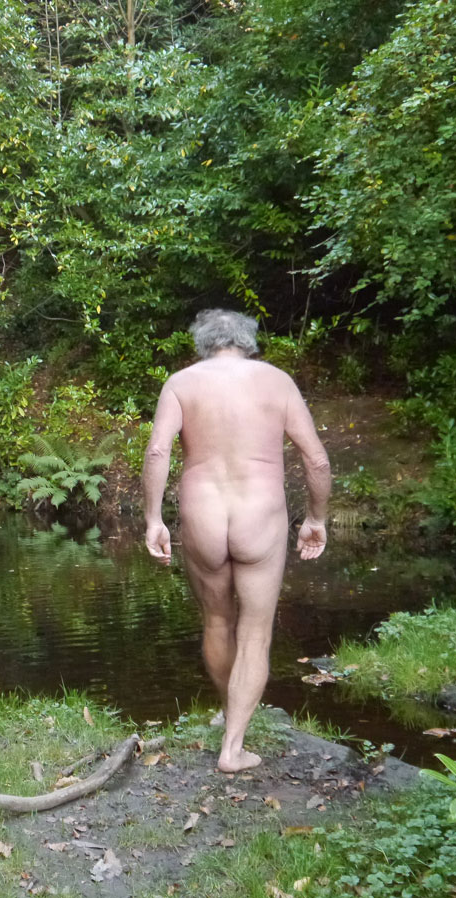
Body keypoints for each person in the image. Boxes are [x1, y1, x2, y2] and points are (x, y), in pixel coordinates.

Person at [142, 309, 331, 772]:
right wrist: (316, 517)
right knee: (255, 632)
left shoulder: (181, 383)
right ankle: (233, 746)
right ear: (248, 341)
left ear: (201, 343)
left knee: (216, 622)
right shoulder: (277, 381)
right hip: (259, 515)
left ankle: (230, 714)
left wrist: (153, 519)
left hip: (203, 514)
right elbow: (316, 459)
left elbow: (158, 450)